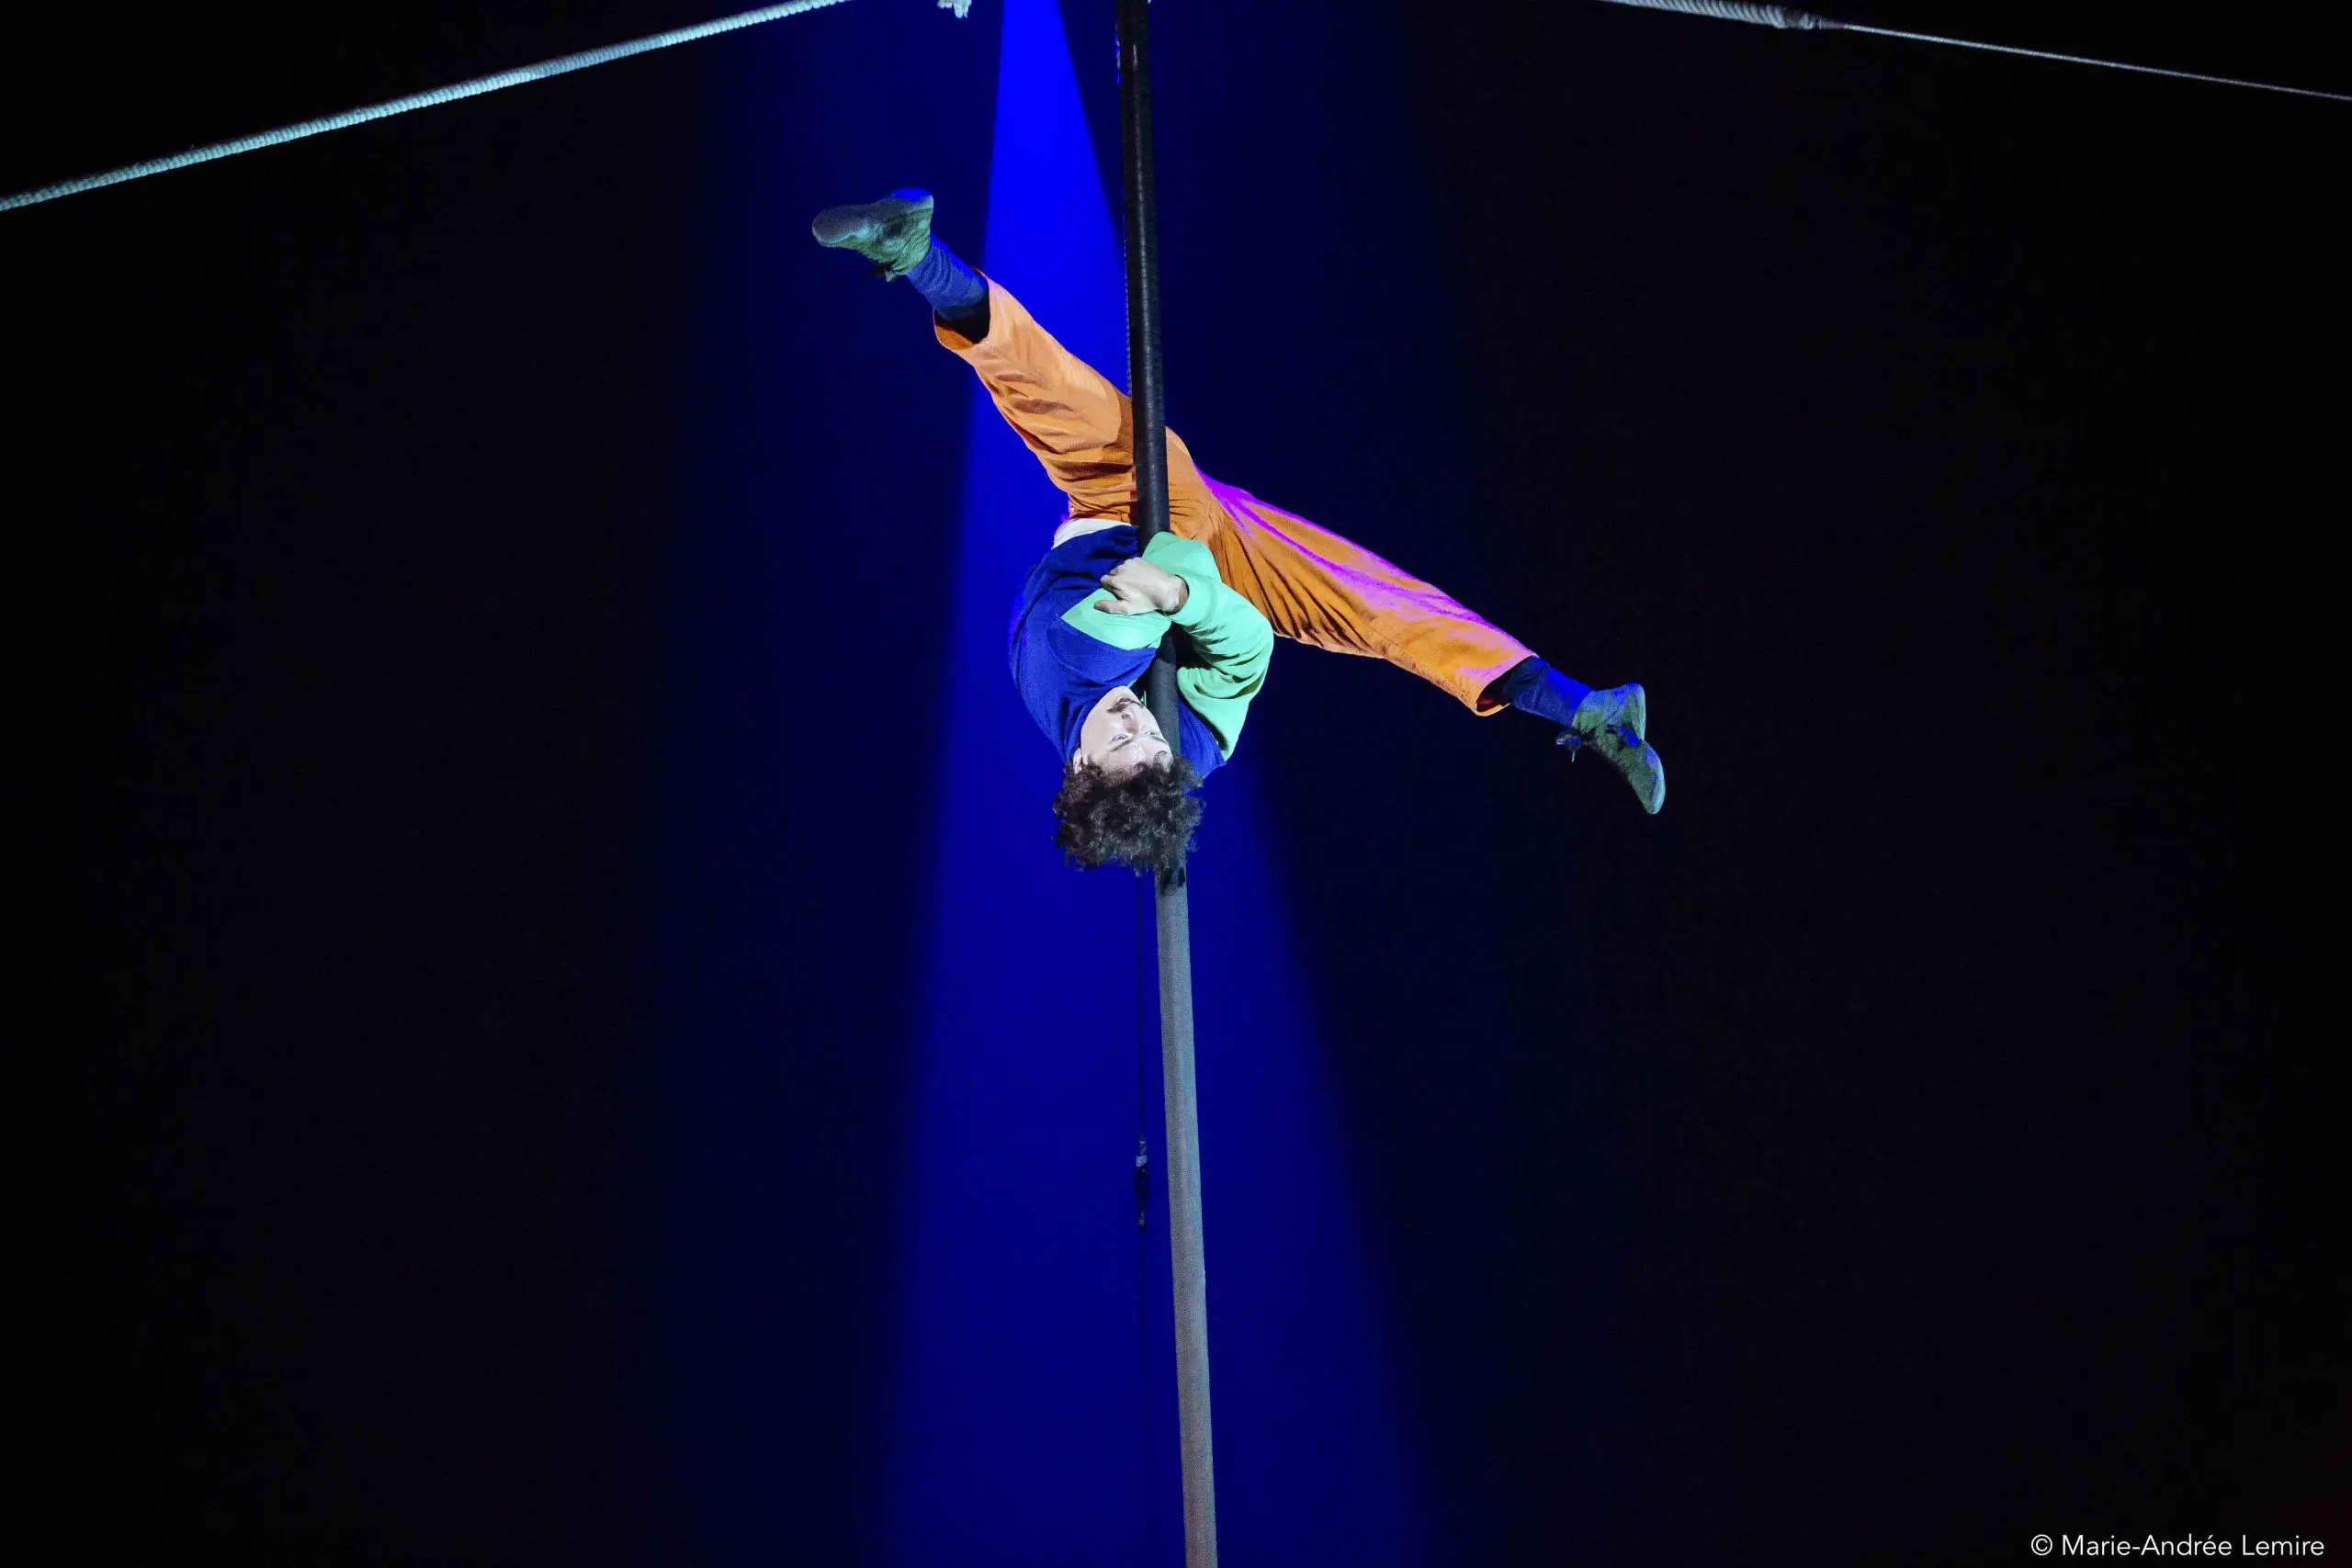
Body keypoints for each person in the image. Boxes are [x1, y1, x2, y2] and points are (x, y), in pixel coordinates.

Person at [815, 189, 1664, 875]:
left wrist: (1181, 588)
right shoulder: (1183, 755)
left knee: (1044, 390)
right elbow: (1250, 644)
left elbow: (1171, 553)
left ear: (1077, 765)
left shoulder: (1075, 662)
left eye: (1121, 736)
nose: (1139, 723)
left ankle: (913, 253)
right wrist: (1185, 597)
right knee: (1381, 610)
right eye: (1153, 737)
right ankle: (1589, 709)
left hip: (1127, 503)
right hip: (1211, 566)